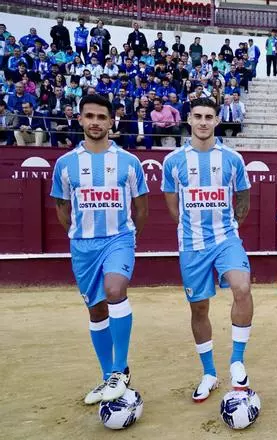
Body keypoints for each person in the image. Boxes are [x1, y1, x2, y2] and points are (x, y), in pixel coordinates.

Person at [49, 94, 149, 405]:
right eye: (89, 116)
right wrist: (78, 235)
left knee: (115, 289)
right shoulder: (65, 164)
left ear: (111, 121)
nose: (95, 122)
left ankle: (120, 371)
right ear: (79, 119)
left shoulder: (128, 162)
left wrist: (129, 238)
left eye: (101, 117)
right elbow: (62, 207)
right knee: (96, 311)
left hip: (119, 239)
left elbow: (141, 207)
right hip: (83, 247)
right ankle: (108, 377)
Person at [161, 97, 254, 403]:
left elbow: (242, 200)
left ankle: (237, 361)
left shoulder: (232, 159)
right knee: (199, 309)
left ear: (217, 120)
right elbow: (173, 207)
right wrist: (192, 230)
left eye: (209, 116)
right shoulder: (173, 161)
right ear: (189, 119)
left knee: (242, 287)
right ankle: (210, 373)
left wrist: (228, 228)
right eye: (198, 116)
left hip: (226, 238)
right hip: (191, 245)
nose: (203, 121)